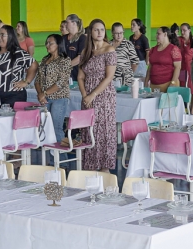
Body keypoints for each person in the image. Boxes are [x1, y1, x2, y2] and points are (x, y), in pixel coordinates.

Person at [77, 20, 118, 172]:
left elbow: (109, 77)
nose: (100, 32)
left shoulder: (109, 50)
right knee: (89, 130)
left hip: (104, 96)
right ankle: (90, 166)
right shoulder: (85, 52)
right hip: (87, 96)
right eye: (96, 30)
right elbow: (80, 77)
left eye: (102, 29)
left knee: (104, 130)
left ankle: (104, 167)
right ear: (90, 32)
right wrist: (85, 95)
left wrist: (93, 95)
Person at [0, 23, 37, 106]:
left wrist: (26, 82)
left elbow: (34, 65)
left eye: (2, 35)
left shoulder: (18, 53)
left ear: (10, 36)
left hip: (13, 96)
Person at [37, 34, 72, 138]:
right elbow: (38, 79)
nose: (47, 45)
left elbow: (61, 82)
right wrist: (40, 95)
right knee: (44, 127)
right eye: (46, 43)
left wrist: (44, 93)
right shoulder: (44, 59)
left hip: (59, 98)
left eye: (50, 43)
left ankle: (59, 148)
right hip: (44, 98)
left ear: (58, 45)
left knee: (56, 127)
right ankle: (46, 148)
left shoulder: (65, 60)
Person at [147, 26, 182, 92]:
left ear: (165, 34)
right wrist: (146, 82)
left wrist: (173, 83)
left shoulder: (173, 49)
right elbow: (150, 67)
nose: (156, 36)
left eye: (158, 34)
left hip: (168, 86)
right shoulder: (153, 49)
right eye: (156, 34)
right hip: (153, 86)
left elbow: (178, 67)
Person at [110, 22, 137, 88]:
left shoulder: (128, 44)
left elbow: (135, 62)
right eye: (116, 33)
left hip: (126, 80)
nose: (119, 35)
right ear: (112, 33)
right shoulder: (108, 45)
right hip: (111, 79)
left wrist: (127, 73)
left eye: (121, 33)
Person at [62, 14, 85, 79]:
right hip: (64, 76)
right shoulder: (63, 38)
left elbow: (80, 58)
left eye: (67, 22)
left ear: (74, 23)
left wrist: (65, 67)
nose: (65, 24)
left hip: (77, 76)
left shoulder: (82, 38)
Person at [175, 23, 193, 89]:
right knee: (182, 85)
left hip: (191, 68)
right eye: (181, 30)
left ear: (189, 30)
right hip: (181, 67)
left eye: (184, 30)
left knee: (192, 86)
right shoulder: (178, 40)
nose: (182, 32)